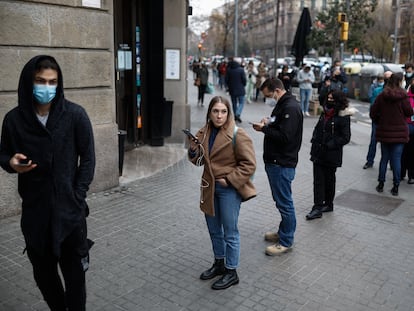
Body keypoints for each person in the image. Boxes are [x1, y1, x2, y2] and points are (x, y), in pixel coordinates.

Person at [0, 55, 95, 310]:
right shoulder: (14, 120)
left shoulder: (75, 115)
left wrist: (77, 195)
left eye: (52, 82)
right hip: (35, 214)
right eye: (41, 81)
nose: (47, 87)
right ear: (29, 82)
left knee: (75, 279)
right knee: (44, 277)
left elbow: (88, 159)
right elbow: (4, 153)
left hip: (70, 215)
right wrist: (11, 162)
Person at [187, 96, 256, 290]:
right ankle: (219, 263)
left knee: (230, 232)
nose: (219, 116)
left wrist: (229, 180)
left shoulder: (237, 134)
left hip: (228, 190)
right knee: (214, 229)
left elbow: (249, 164)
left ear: (228, 113)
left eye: (223, 112)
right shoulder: (204, 132)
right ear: (209, 112)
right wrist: (193, 151)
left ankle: (231, 271)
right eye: (215, 111)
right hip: (209, 187)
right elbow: (199, 161)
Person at [252, 78, 303, 255]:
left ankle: (286, 241)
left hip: (282, 163)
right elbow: (280, 126)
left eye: (268, 95)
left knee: (284, 203)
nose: (269, 99)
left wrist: (263, 129)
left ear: (276, 90)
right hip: (276, 161)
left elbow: (285, 137)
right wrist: (269, 122)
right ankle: (283, 233)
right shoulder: (284, 104)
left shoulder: (289, 107)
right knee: (282, 201)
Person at [305, 90, 355, 220]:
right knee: (319, 181)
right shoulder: (325, 112)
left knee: (329, 180)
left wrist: (330, 144)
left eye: (332, 99)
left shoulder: (343, 116)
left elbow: (345, 137)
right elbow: (319, 129)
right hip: (318, 152)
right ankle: (317, 207)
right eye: (328, 98)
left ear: (338, 101)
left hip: (331, 154)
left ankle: (328, 204)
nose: (329, 101)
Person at [370, 72, 413, 196]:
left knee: (384, 158)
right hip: (399, 133)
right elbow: (409, 112)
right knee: (396, 159)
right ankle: (396, 186)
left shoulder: (382, 95)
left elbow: (373, 113)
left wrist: (380, 121)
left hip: (384, 131)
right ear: (400, 82)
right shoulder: (403, 96)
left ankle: (381, 184)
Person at [363, 71, 392, 169]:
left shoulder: (396, 91)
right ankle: (369, 161)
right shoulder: (377, 90)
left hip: (389, 121)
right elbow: (373, 105)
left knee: (389, 143)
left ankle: (391, 164)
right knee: (374, 141)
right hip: (379, 120)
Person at [225, 57, 247, 123]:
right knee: (241, 102)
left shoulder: (229, 70)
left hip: (232, 89)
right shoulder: (241, 70)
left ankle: (235, 115)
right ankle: (237, 113)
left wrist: (228, 87)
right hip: (240, 89)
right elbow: (244, 80)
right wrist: (244, 84)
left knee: (234, 103)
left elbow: (226, 80)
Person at [401, 79, 414, 184]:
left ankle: (402, 174)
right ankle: (411, 176)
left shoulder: (405, 97)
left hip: (405, 127)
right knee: (411, 152)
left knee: (404, 151)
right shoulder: (405, 97)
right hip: (408, 127)